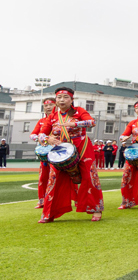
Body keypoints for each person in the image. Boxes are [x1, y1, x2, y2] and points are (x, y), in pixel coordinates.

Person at [37, 87, 103, 223]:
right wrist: (47, 139)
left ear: (71, 99)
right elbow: (41, 133)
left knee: (89, 176)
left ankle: (95, 209)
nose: (62, 100)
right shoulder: (53, 116)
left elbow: (92, 122)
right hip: (61, 150)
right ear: (56, 100)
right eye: (59, 98)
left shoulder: (79, 111)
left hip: (81, 146)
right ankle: (50, 212)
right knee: (54, 178)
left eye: (65, 97)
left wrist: (75, 123)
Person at [30, 97, 57, 207]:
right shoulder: (41, 121)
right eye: (46, 106)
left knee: (65, 176)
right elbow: (32, 134)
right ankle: (42, 200)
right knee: (43, 177)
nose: (48, 107)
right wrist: (41, 139)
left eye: (51, 105)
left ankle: (74, 199)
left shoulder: (60, 119)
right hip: (45, 155)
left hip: (58, 153)